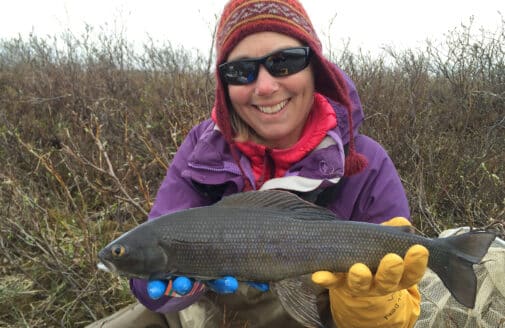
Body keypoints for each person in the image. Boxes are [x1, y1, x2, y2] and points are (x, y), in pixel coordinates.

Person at [87, 0, 429, 327]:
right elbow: (153, 281)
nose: (265, 87)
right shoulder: (202, 151)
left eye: (286, 62)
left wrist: (367, 301)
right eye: (240, 71)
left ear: (315, 70)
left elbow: (398, 317)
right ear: (225, 85)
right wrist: (169, 291)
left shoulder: (368, 165)